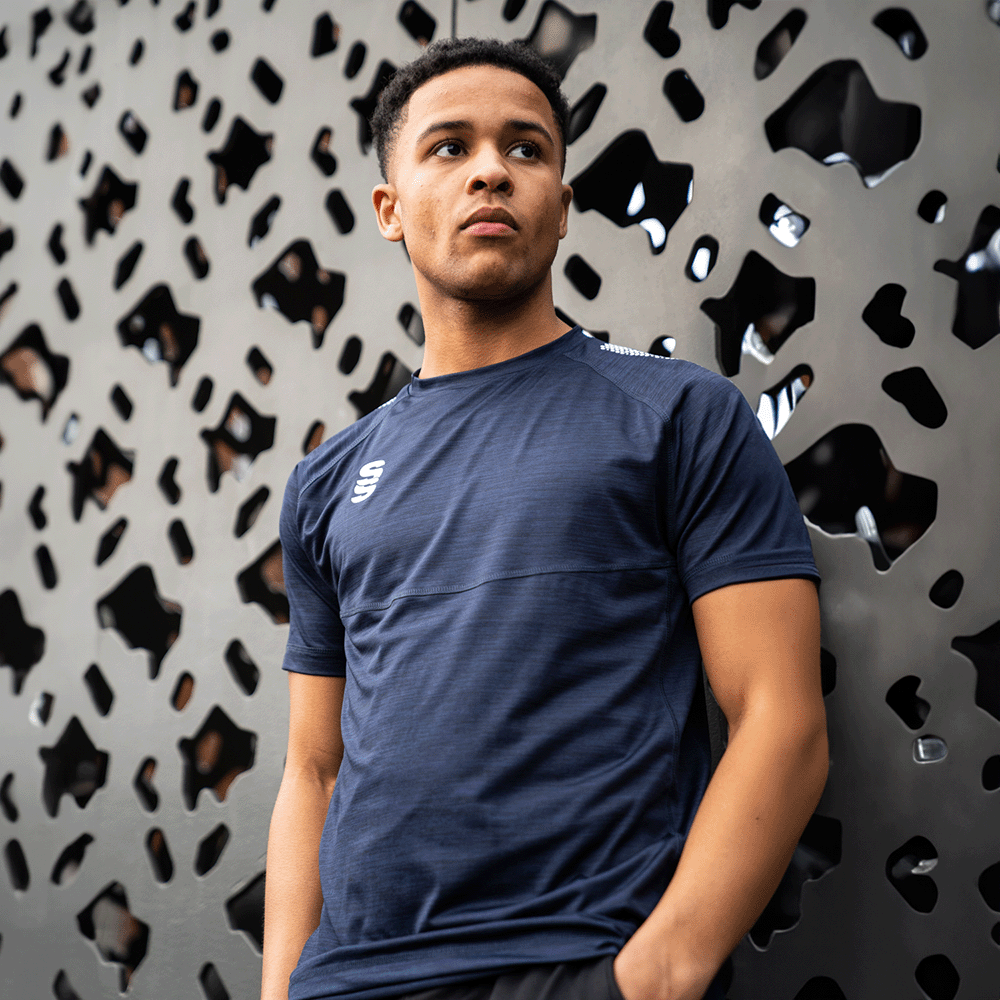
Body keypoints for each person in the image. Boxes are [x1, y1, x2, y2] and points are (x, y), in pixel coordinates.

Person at [262, 37, 828, 1000]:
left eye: (526, 148)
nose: (491, 170)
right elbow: (313, 771)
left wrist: (657, 972)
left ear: (561, 207)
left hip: (574, 963)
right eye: (449, 147)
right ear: (390, 210)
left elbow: (781, 719)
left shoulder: (679, 416)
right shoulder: (326, 482)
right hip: (349, 982)